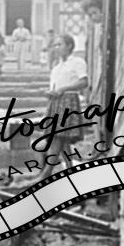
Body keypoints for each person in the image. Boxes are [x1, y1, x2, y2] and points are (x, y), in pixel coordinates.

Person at [37, 34, 88, 180]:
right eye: (55, 45)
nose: (56, 48)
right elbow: (55, 88)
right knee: (62, 139)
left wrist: (64, 89)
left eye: (59, 44)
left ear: (69, 46)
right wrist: (50, 93)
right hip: (55, 103)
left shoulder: (77, 62)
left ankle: (46, 173)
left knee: (57, 137)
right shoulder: (56, 68)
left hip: (68, 102)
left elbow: (84, 82)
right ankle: (70, 170)